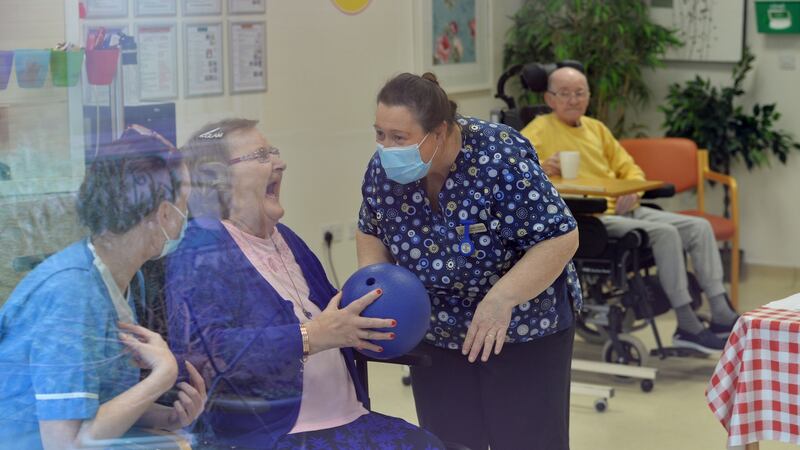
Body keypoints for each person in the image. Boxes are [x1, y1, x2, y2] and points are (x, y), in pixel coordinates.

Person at [164, 119, 445, 449]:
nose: (279, 162)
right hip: (277, 436)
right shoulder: (200, 251)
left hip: (351, 421)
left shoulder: (285, 239)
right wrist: (310, 337)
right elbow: (206, 352)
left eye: (274, 152)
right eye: (261, 155)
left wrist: (363, 326)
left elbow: (336, 319)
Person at [356, 72, 582, 450]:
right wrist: (375, 289)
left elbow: (559, 237)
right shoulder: (383, 171)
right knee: (451, 441)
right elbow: (371, 228)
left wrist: (501, 299)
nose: (387, 147)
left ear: (441, 132)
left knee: (526, 440)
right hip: (438, 331)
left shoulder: (501, 157)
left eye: (400, 137)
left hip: (523, 325)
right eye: (380, 134)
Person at [0, 126, 206, 449]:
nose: (185, 220)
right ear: (164, 213)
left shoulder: (120, 279)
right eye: (185, 206)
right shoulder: (71, 294)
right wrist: (161, 377)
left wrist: (167, 417)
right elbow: (65, 444)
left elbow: (97, 407)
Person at [520, 66, 739, 353]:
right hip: (588, 216)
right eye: (565, 94)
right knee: (666, 234)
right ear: (549, 99)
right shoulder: (536, 131)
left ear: (588, 96)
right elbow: (517, 175)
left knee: (699, 227)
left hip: (624, 207)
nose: (573, 100)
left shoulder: (596, 128)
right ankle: (687, 324)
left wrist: (634, 191)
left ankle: (721, 311)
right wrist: (540, 167)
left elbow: (630, 168)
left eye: (579, 93)